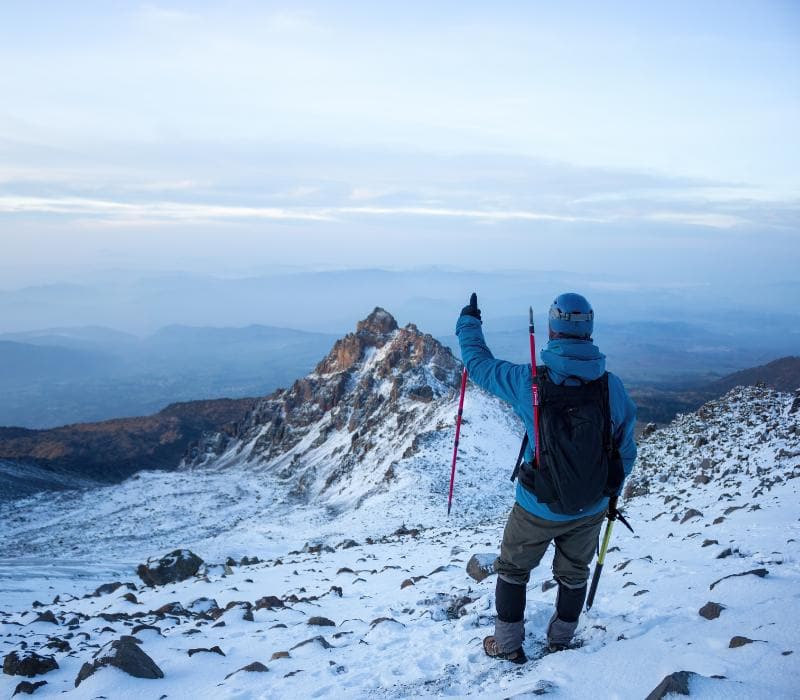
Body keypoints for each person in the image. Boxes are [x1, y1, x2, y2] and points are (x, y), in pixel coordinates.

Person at [456, 292, 637, 663]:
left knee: (512, 568)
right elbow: (626, 451)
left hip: (537, 505)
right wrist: (607, 492)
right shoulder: (611, 387)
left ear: (552, 330)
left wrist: (469, 322)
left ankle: (507, 645)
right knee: (574, 572)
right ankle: (561, 640)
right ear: (589, 330)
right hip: (591, 506)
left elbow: (478, 364)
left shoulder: (528, 381)